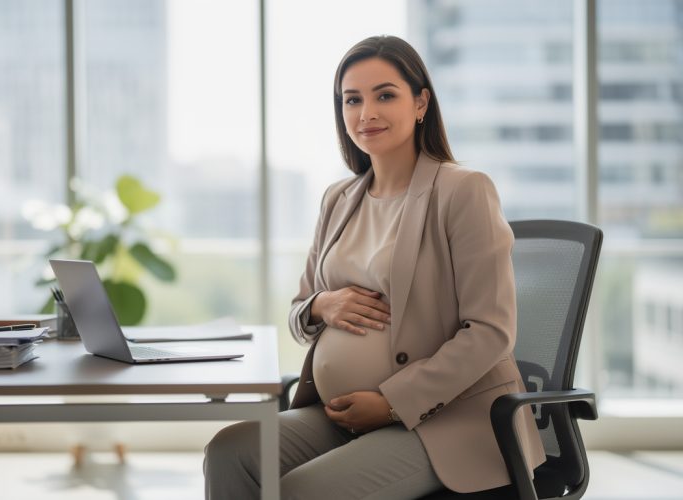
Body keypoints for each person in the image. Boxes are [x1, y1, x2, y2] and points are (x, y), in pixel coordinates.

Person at [204, 35, 545, 500]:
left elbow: (491, 330)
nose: (366, 113)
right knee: (230, 451)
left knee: (304, 490)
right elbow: (298, 312)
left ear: (421, 102)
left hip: (443, 421)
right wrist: (322, 305)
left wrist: (390, 403)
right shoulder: (338, 199)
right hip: (339, 414)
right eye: (352, 100)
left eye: (385, 95)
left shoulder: (463, 191)